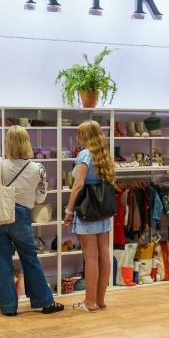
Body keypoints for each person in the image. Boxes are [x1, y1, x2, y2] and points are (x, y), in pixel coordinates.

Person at [0, 127, 65, 317]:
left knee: (1, 260)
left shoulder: (0, 163)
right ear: (27, 142)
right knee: (29, 258)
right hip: (21, 215)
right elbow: (40, 198)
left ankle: (8, 307)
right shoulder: (38, 168)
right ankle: (44, 302)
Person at [63, 120, 115, 312]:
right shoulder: (104, 155)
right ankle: (100, 299)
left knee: (90, 257)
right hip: (102, 211)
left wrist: (69, 210)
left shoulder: (85, 155)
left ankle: (89, 302)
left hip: (86, 211)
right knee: (103, 254)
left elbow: (78, 185)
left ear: (84, 136)